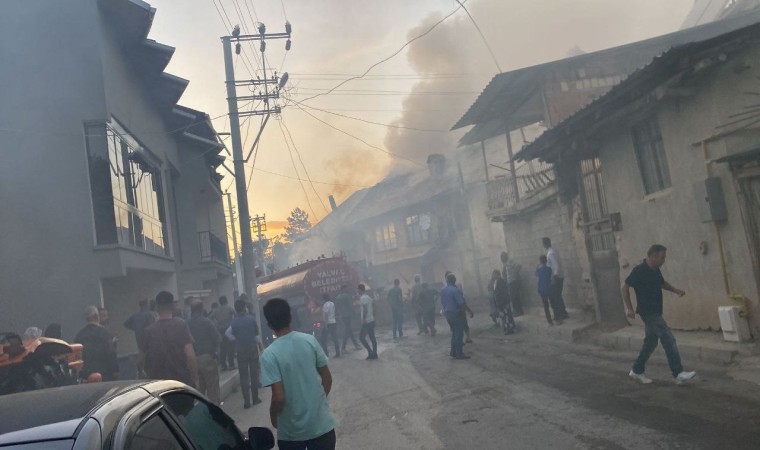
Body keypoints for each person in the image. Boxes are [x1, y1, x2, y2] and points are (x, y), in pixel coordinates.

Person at [260, 298, 337, 450]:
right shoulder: (309, 340)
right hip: (321, 426)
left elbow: (279, 397)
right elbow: (327, 379)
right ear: (290, 317)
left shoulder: (269, 354)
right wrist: (317, 403)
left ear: (269, 324)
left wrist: (274, 417)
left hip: (291, 435)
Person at [624, 244, 697, 385]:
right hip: (648, 312)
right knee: (668, 339)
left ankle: (637, 370)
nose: (664, 261)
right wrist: (629, 308)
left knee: (651, 342)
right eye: (662, 258)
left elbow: (662, 283)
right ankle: (678, 373)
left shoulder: (656, 270)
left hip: (656, 310)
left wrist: (675, 290)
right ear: (653, 257)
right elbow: (625, 287)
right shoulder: (639, 270)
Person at [138, 291, 199, 388]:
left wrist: (141, 372)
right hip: (181, 382)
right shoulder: (181, 326)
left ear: (157, 308)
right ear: (172, 306)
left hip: (158, 385)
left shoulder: (149, 331)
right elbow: (190, 356)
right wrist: (195, 378)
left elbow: (141, 359)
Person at [230, 297, 262, 408]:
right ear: (245, 308)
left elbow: (233, 334)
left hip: (240, 351)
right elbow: (256, 332)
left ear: (236, 309)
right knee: (254, 374)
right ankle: (255, 398)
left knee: (243, 376)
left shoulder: (233, 322)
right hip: (252, 349)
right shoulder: (251, 319)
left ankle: (246, 402)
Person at [188, 299, 221, 404]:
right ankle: (214, 413)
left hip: (192, 360)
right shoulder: (207, 322)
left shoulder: (186, 324)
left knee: (199, 393)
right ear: (201, 309)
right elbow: (217, 338)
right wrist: (216, 354)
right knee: (213, 390)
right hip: (207, 358)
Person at [75, 306, 119, 381]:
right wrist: (115, 370)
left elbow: (77, 356)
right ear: (97, 316)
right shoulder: (105, 333)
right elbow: (110, 353)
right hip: (105, 373)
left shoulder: (79, 335)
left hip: (86, 375)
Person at [440, 273, 472, 359]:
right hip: (455, 313)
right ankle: (459, 353)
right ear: (454, 280)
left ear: (447, 280)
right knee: (459, 334)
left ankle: (453, 352)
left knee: (454, 333)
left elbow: (442, 302)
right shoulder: (455, 290)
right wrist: (469, 311)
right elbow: (461, 303)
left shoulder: (443, 290)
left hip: (448, 314)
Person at [543, 237, 569, 321]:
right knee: (558, 296)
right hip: (559, 276)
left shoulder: (550, 253)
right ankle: (563, 312)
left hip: (556, 277)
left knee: (556, 297)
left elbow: (555, 266)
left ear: (545, 244)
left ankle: (561, 314)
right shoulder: (554, 251)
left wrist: (554, 277)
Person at [445, 271, 473, 343]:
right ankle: (466, 338)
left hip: (452, 310)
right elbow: (461, 297)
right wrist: (468, 310)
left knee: (456, 326)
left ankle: (462, 340)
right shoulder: (456, 286)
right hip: (459, 308)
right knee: (463, 323)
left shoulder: (445, 288)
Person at [209, 295, 236, 370]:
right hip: (229, 330)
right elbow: (236, 314)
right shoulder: (229, 308)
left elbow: (209, 318)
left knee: (223, 348)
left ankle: (223, 365)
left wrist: (216, 325)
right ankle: (231, 364)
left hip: (220, 331)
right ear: (226, 301)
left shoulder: (216, 311)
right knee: (231, 348)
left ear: (220, 302)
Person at [335, 285, 361, 353]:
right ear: (343, 289)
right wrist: (354, 313)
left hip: (343, 316)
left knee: (349, 330)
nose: (347, 289)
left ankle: (356, 345)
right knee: (347, 331)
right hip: (348, 315)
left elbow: (336, 307)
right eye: (346, 288)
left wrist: (337, 315)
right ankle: (344, 348)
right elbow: (351, 305)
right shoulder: (347, 296)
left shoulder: (338, 297)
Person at [357, 284, 378, 360]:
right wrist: (373, 315)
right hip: (371, 320)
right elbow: (374, 305)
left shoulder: (363, 298)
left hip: (367, 321)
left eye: (358, 290)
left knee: (361, 337)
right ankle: (374, 353)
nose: (357, 291)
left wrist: (364, 319)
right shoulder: (368, 297)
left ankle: (370, 351)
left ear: (360, 290)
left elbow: (365, 309)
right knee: (372, 337)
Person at [492, 270, 515, 334]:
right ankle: (507, 328)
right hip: (500, 303)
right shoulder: (496, 282)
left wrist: (506, 302)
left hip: (504, 302)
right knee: (504, 316)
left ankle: (509, 329)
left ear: (497, 274)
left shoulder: (501, 282)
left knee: (507, 316)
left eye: (494, 274)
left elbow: (504, 293)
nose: (493, 276)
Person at [501, 251, 523, 316]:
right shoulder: (507, 263)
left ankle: (517, 312)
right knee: (516, 297)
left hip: (512, 282)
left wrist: (515, 274)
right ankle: (520, 311)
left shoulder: (509, 263)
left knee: (514, 298)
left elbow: (519, 266)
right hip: (513, 282)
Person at [536, 256, 555, 325]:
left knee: (546, 306)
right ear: (546, 261)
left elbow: (537, 279)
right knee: (553, 304)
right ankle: (556, 317)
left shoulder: (538, 270)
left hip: (542, 290)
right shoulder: (549, 269)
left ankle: (549, 321)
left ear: (540, 262)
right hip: (549, 289)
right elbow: (552, 280)